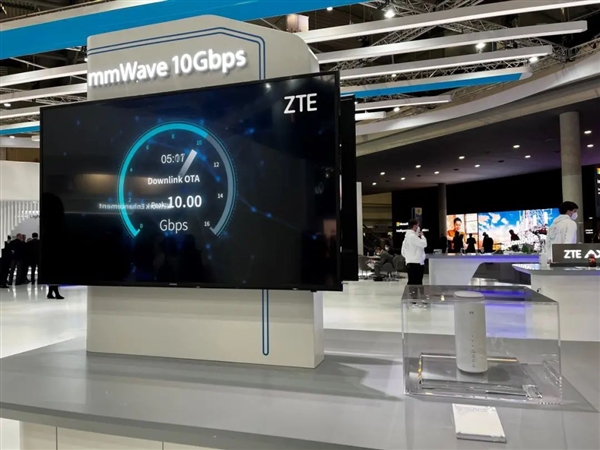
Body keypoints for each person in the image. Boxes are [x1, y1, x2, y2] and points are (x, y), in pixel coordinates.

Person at [401, 219, 427, 285]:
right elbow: (424, 244)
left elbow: (403, 251)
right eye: (418, 226)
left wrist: (408, 257)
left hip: (410, 262)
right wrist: (422, 236)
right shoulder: (412, 236)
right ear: (415, 226)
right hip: (416, 263)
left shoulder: (407, 236)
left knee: (412, 282)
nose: (418, 227)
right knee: (417, 283)